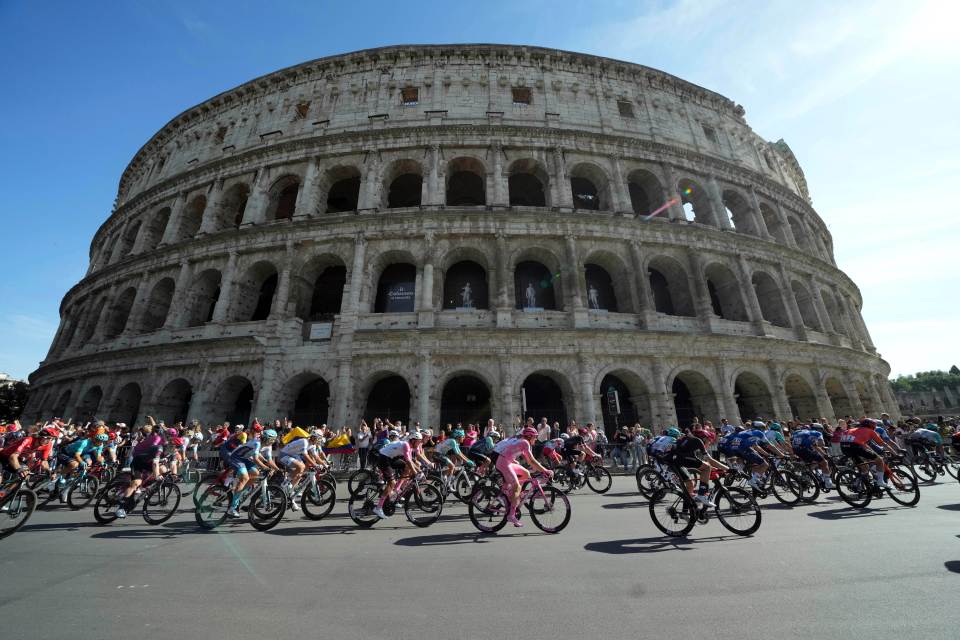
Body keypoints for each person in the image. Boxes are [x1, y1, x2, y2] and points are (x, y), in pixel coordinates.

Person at [492, 426, 553, 527]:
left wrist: (538, 469)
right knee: (517, 486)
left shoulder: (523, 442)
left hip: (507, 461)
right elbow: (532, 461)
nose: (536, 439)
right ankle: (511, 515)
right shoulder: (525, 442)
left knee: (526, 473)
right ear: (529, 437)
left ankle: (510, 492)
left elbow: (529, 461)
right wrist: (545, 470)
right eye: (535, 437)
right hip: (503, 463)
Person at [117, 418, 169, 519]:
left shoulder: (162, 444)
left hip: (146, 460)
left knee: (163, 470)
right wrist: (157, 475)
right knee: (136, 482)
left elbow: (158, 460)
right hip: (138, 462)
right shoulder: (158, 446)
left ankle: (143, 487)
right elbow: (155, 463)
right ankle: (121, 507)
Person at [372, 430, 420, 519]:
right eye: (418, 441)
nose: (419, 443)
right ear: (413, 440)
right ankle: (378, 508)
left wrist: (418, 470)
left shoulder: (409, 446)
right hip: (383, 458)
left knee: (407, 467)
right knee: (392, 482)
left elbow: (410, 462)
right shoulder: (406, 445)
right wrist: (415, 472)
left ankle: (397, 490)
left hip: (390, 458)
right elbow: (409, 461)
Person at [838, 418, 889, 489]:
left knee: (864, 468)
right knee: (879, 460)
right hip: (855, 447)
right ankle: (880, 481)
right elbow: (882, 444)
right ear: (872, 426)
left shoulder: (854, 430)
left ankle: (856, 484)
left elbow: (863, 444)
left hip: (844, 447)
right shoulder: (870, 431)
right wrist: (895, 452)